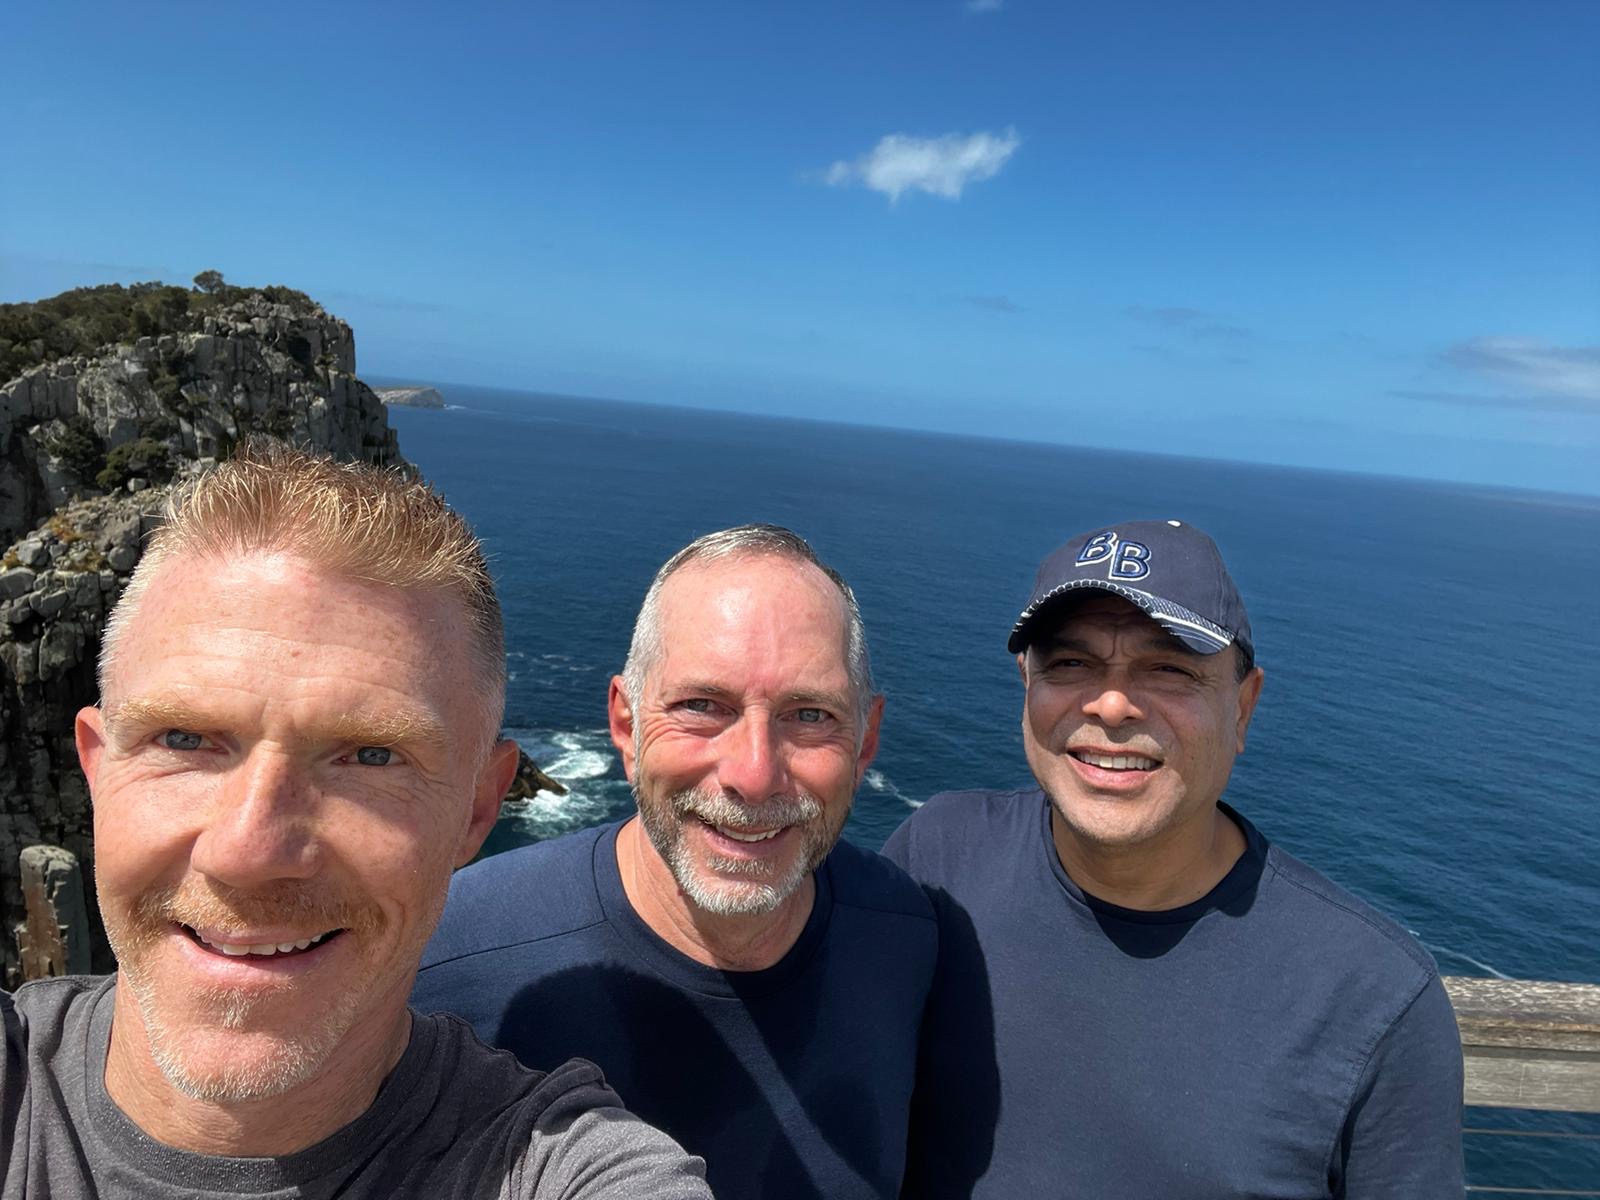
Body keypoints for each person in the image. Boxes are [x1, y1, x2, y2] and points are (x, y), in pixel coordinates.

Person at [1, 442, 710, 1200]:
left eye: (370, 756)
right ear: (99, 769)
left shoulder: (556, 1171)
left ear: (478, 807)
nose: (249, 849)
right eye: (184, 740)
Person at [884, 518, 1464, 1198]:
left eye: (1169, 668)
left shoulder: (1373, 998)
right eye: (1070, 664)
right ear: (1026, 685)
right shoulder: (938, 857)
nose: (1111, 704)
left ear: (1243, 708)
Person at [414, 524, 936, 1200]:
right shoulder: (443, 961)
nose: (754, 774)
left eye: (809, 715)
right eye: (701, 706)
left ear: (865, 743)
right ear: (626, 725)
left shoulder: (907, 939)